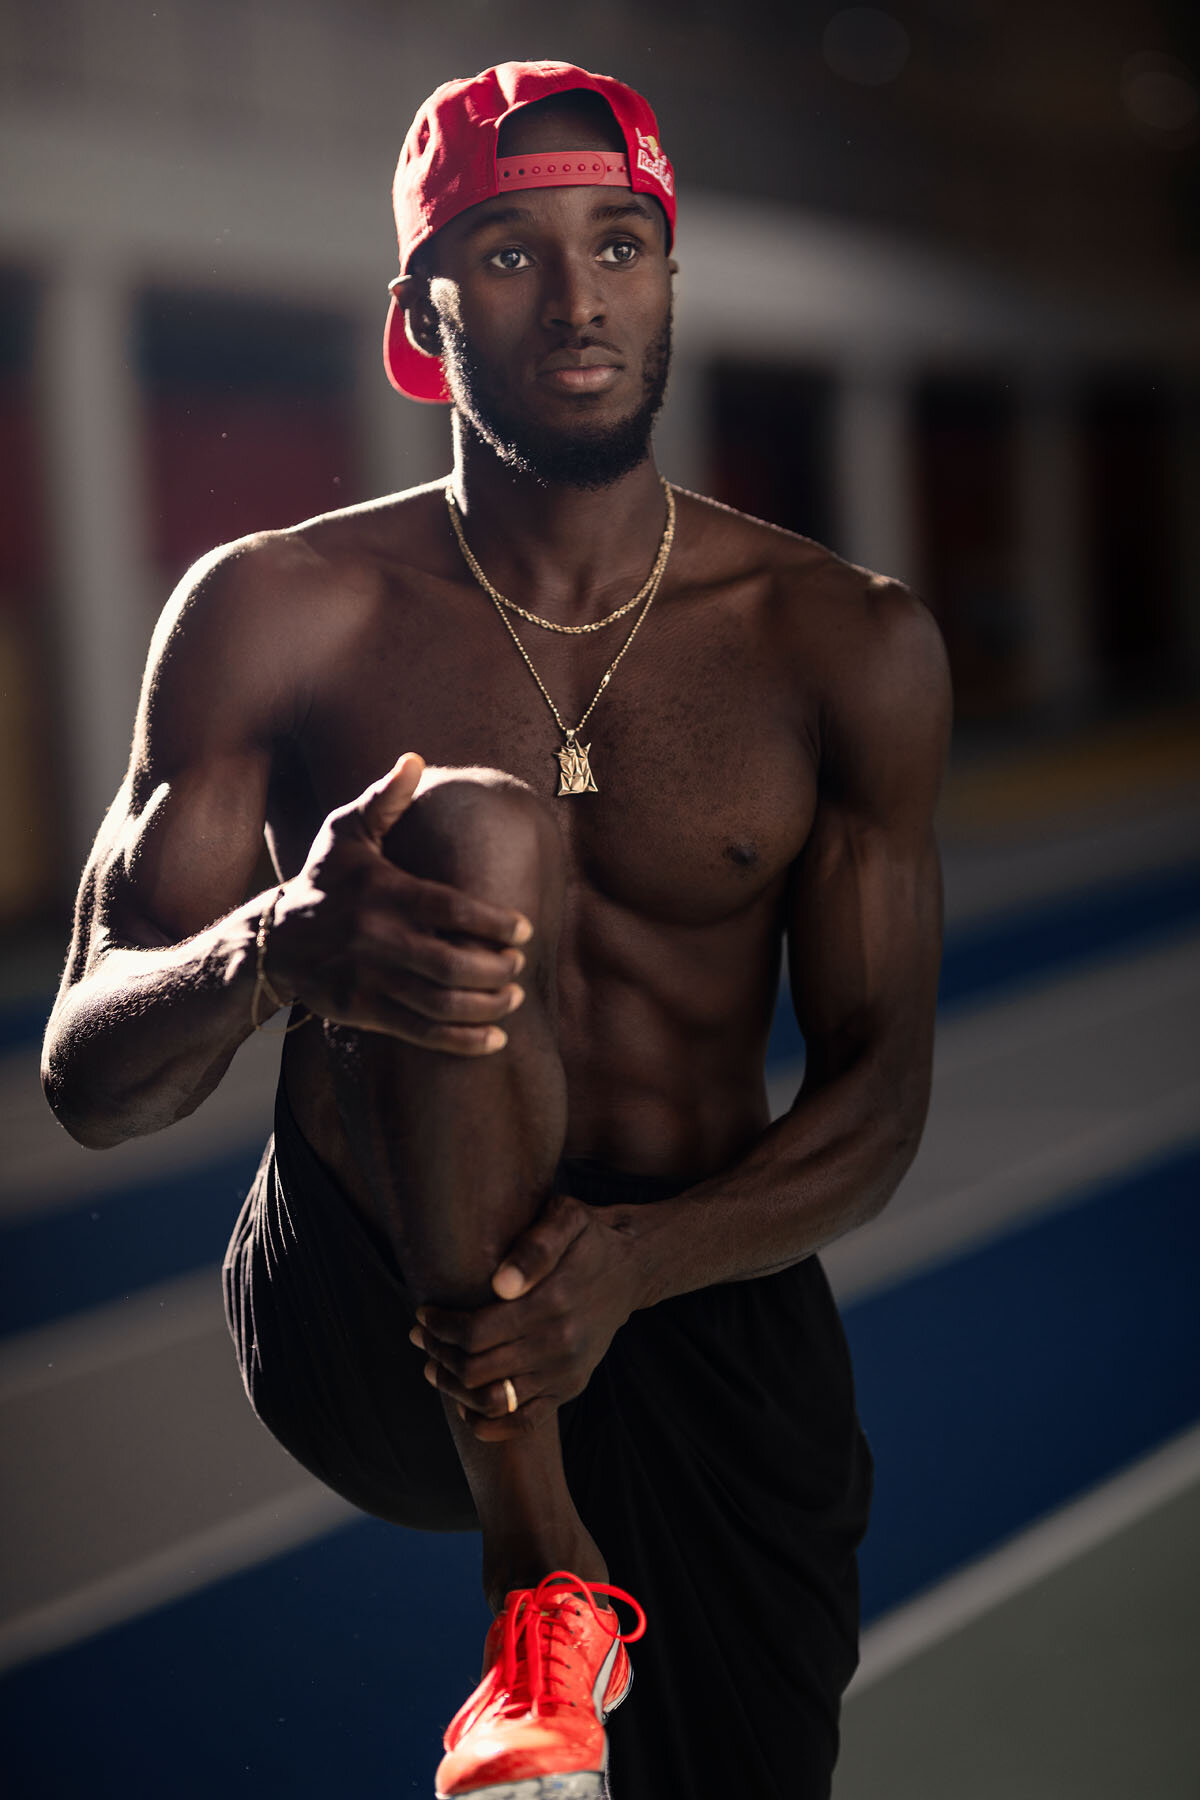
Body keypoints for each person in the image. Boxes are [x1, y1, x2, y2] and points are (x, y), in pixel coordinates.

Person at [42, 59, 951, 1800]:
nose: (581, 294)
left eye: (620, 243)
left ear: (670, 276)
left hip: (692, 1290)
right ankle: (535, 1578)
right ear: (420, 310)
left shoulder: (842, 641)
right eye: (513, 253)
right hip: (373, 1295)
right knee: (466, 825)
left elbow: (878, 1107)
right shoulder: (273, 612)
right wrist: (272, 955)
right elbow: (89, 1074)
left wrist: (631, 1268)